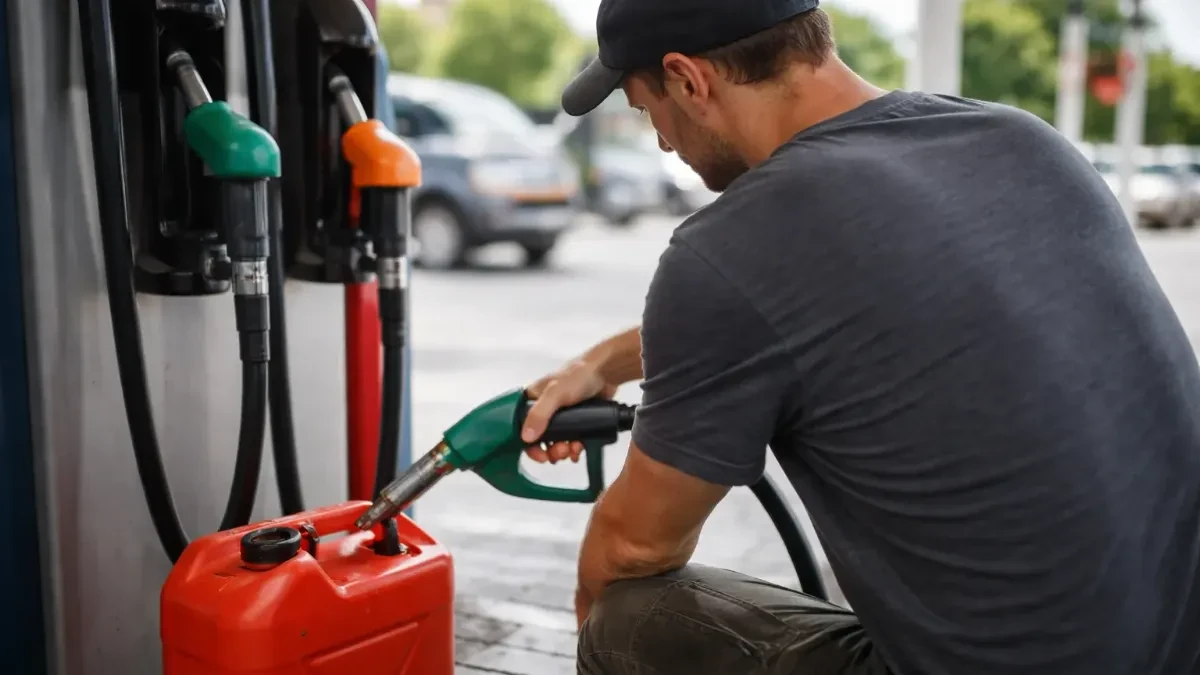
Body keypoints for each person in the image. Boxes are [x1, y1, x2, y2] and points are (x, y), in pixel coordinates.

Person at [518, 0, 1200, 674]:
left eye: (648, 111)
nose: (664, 142)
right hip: (1174, 644)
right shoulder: (1025, 143)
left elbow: (630, 554)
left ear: (689, 79)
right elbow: (825, 301)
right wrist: (606, 360)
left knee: (626, 619)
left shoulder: (735, 245)